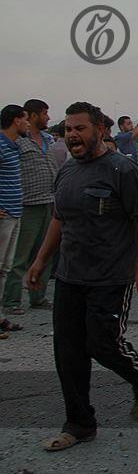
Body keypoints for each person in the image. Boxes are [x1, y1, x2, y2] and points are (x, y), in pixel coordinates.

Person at [25, 101, 138, 451]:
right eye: (69, 129)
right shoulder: (67, 172)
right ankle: (79, 424)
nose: (72, 135)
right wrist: (40, 261)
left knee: (102, 343)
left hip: (110, 276)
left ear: (99, 130)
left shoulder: (122, 170)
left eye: (80, 128)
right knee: (68, 352)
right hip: (70, 275)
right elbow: (59, 219)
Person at [3, 100, 56, 316]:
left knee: (44, 253)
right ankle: (11, 300)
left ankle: (38, 296)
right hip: (26, 205)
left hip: (48, 202)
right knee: (20, 256)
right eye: (45, 113)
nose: (48, 117)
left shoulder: (47, 139)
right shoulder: (18, 142)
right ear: (33, 116)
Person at [0, 104, 30, 338]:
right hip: (4, 215)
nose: (28, 123)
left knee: (5, 268)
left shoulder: (13, 146)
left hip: (14, 212)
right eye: (25, 119)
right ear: (16, 120)